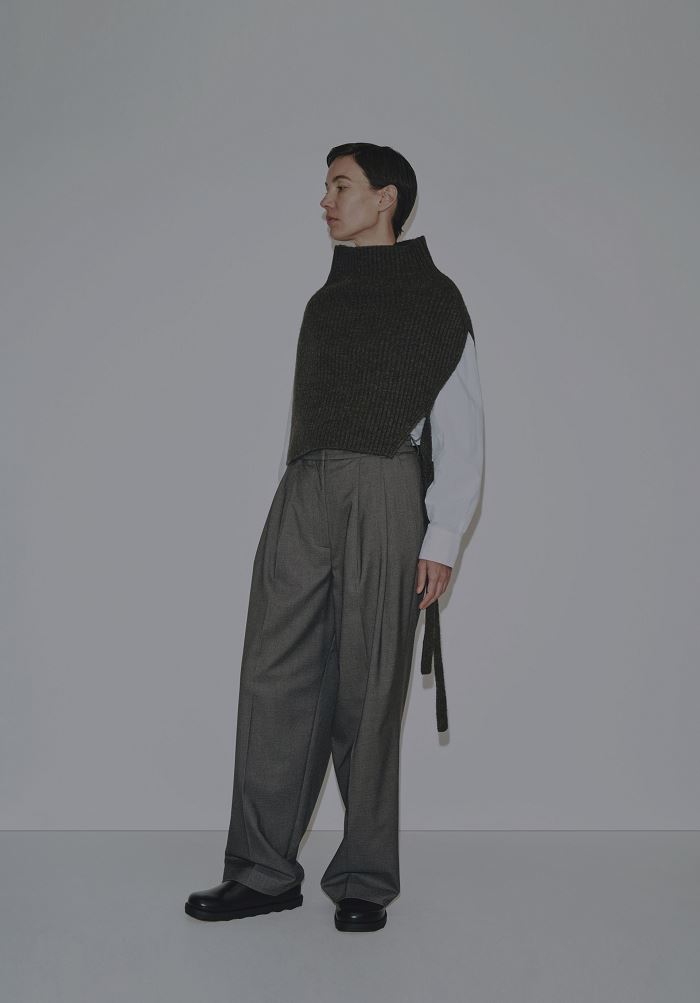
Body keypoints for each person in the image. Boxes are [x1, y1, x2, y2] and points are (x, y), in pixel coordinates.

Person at [185, 143, 484, 932]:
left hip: (386, 486)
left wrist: (443, 535)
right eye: (325, 186)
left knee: (370, 681)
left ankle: (363, 878)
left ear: (385, 198)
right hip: (304, 486)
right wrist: (298, 490)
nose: (325, 198)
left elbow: (461, 424)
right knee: (272, 671)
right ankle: (261, 870)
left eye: (340, 185)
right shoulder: (324, 301)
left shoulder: (434, 298)